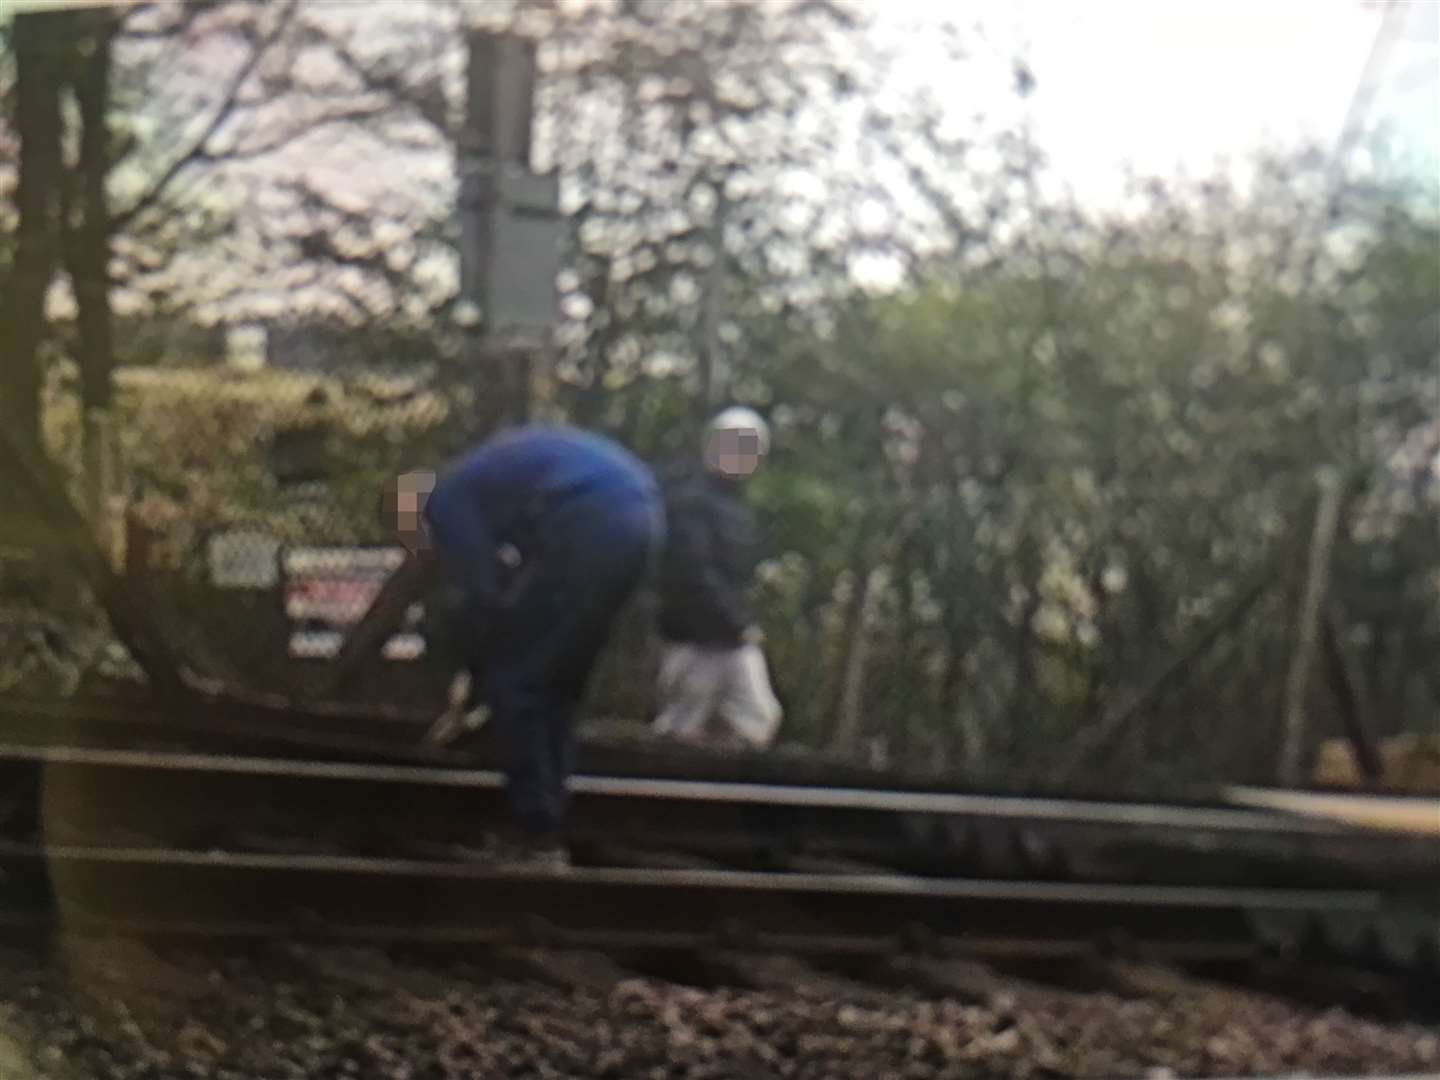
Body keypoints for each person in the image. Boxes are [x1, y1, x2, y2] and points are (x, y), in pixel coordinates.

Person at [381, 425, 662, 869]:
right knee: (557, 683)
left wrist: (474, 679)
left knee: (518, 681)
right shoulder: (485, 478)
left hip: (591, 517)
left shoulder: (448, 500)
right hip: (639, 516)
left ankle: (535, 835)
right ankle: (548, 817)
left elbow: (483, 598)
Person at [652, 406, 783, 750]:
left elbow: (733, 574)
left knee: (757, 717)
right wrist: (733, 620)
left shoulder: (735, 508)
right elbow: (692, 570)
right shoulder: (688, 499)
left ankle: (726, 794)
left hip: (729, 638)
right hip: (695, 639)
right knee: (681, 728)